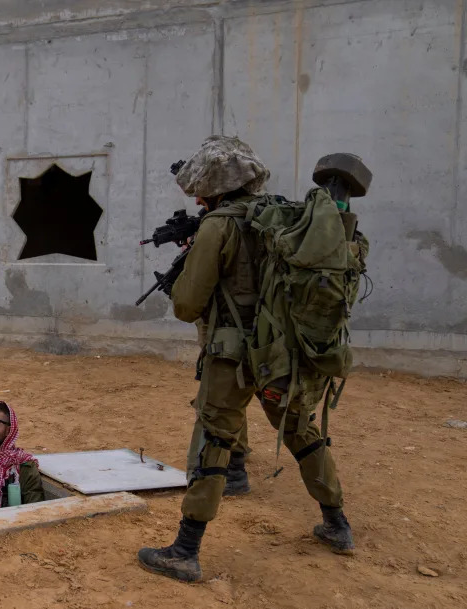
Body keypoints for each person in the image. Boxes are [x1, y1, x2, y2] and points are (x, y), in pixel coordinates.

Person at [138, 136, 355, 583]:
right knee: (301, 431)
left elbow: (187, 306)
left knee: (214, 438)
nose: (197, 197)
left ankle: (185, 551)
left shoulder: (218, 226)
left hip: (232, 355)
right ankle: (337, 524)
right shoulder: (282, 215)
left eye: (200, 188)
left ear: (215, 185)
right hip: (282, 352)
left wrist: (181, 275)